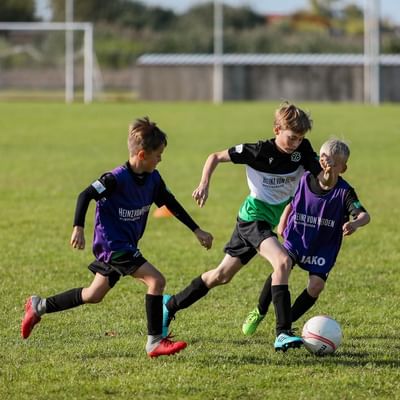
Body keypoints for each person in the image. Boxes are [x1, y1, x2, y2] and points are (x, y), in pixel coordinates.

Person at [21, 117, 213, 358]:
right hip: (113, 246)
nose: (161, 159)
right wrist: (77, 227)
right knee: (156, 281)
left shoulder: (153, 179)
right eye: (158, 154)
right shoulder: (115, 179)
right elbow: (85, 195)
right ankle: (154, 342)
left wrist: (196, 230)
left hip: (124, 244)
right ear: (142, 155)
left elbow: (170, 203)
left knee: (94, 294)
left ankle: (38, 306)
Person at [162, 102, 332, 351]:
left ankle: (170, 305)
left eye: (299, 138)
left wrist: (329, 171)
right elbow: (215, 157)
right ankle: (283, 332)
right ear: (277, 129)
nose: (296, 143)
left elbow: (322, 180)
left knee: (221, 276)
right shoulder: (258, 151)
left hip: (263, 222)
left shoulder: (303, 150)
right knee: (282, 262)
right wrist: (204, 183)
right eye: (291, 137)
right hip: (252, 219)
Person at [241, 139, 370, 339]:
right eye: (325, 161)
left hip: (323, 245)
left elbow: (364, 215)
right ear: (319, 160)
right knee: (281, 268)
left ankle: (287, 321)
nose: (328, 166)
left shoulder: (345, 192)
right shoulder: (305, 178)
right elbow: (291, 201)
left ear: (343, 168)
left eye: (334, 164)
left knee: (316, 286)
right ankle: (259, 310)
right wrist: (283, 220)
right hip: (298, 235)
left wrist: (355, 224)